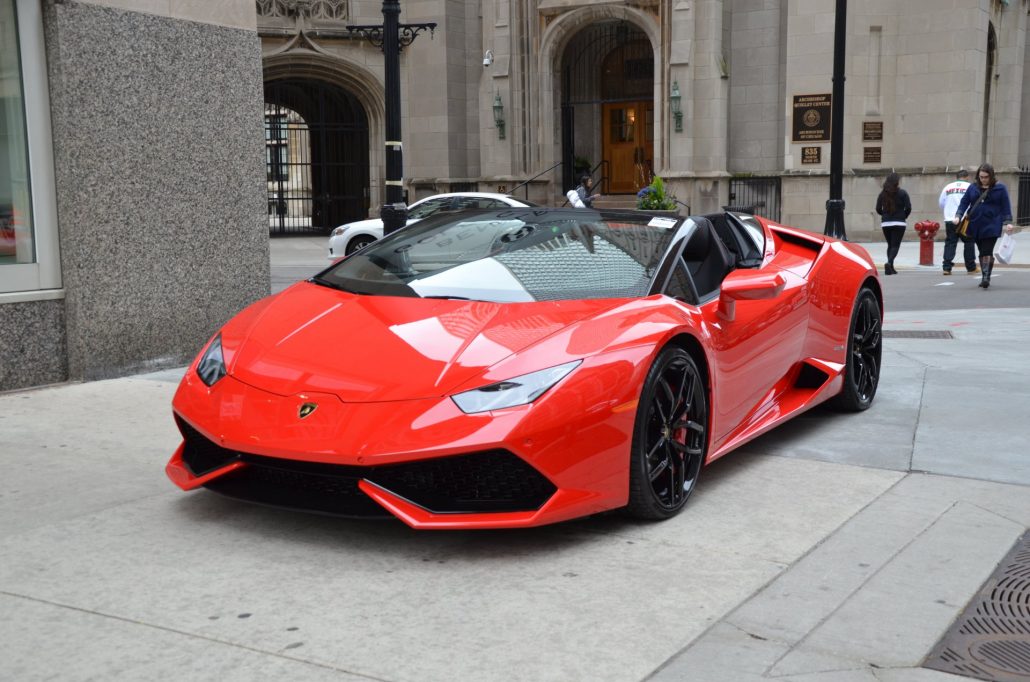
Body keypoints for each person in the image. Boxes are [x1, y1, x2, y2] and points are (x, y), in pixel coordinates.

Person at [954, 162, 1015, 289]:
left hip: (992, 224)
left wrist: (1008, 222)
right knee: (982, 251)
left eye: (986, 177)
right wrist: (958, 215)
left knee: (987, 250)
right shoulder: (972, 187)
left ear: (991, 176)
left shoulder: (1000, 188)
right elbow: (964, 202)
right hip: (975, 223)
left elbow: (1005, 205)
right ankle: (985, 274)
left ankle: (985, 277)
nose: (983, 179)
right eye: (981, 177)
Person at [938, 168, 976, 275]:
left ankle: (946, 267)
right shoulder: (970, 187)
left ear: (957, 177)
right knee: (969, 242)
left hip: (950, 219)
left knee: (950, 242)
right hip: (965, 219)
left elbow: (941, 203)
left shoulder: (948, 187)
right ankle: (971, 267)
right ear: (967, 177)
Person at [875, 172, 911, 275]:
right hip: (899, 223)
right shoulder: (903, 193)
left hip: (886, 223)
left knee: (890, 245)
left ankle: (891, 267)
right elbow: (908, 207)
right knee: (895, 245)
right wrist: (904, 216)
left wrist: (884, 215)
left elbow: (878, 209)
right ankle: (889, 262)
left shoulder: (882, 194)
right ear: (897, 182)